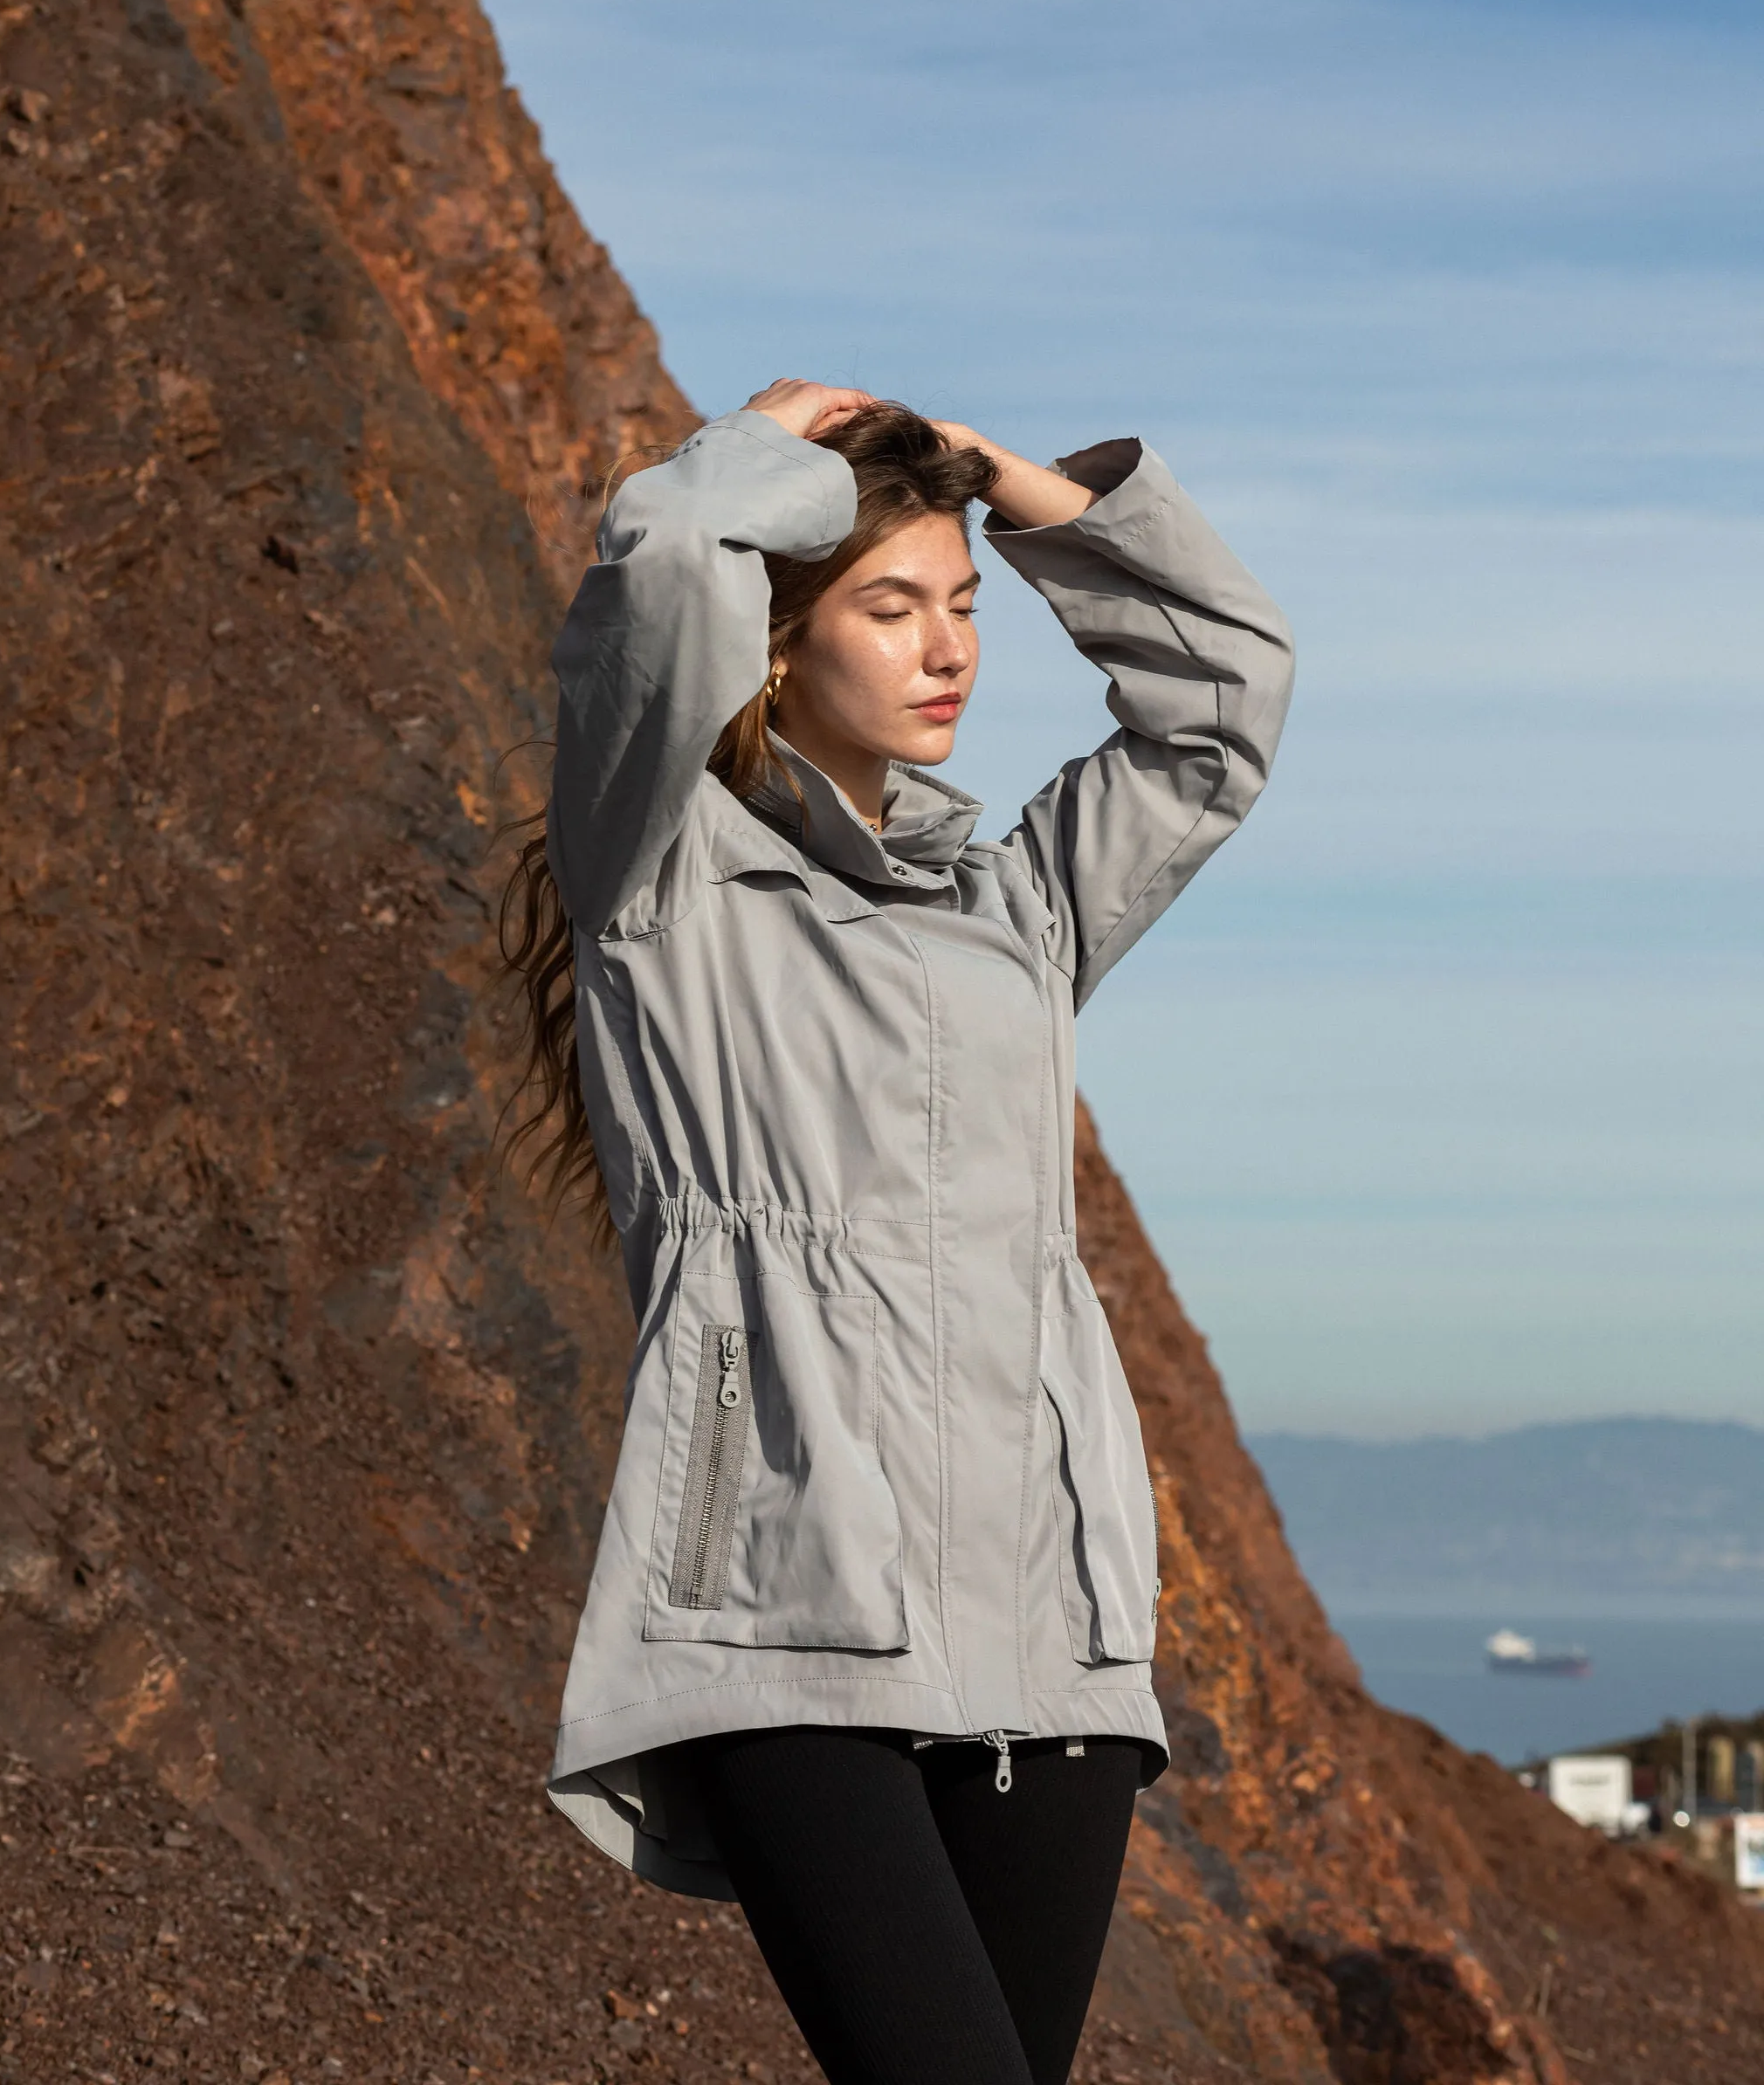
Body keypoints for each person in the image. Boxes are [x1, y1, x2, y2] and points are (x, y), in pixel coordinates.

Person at [502, 381, 1294, 2085]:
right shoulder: (661, 883)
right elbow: (653, 576)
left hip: (1052, 1638)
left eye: (962, 608)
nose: (947, 650)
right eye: (888, 604)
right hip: (792, 1613)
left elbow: (1217, 712)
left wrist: (1035, 502)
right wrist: (759, 464)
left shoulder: (1012, 916)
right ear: (775, 643)